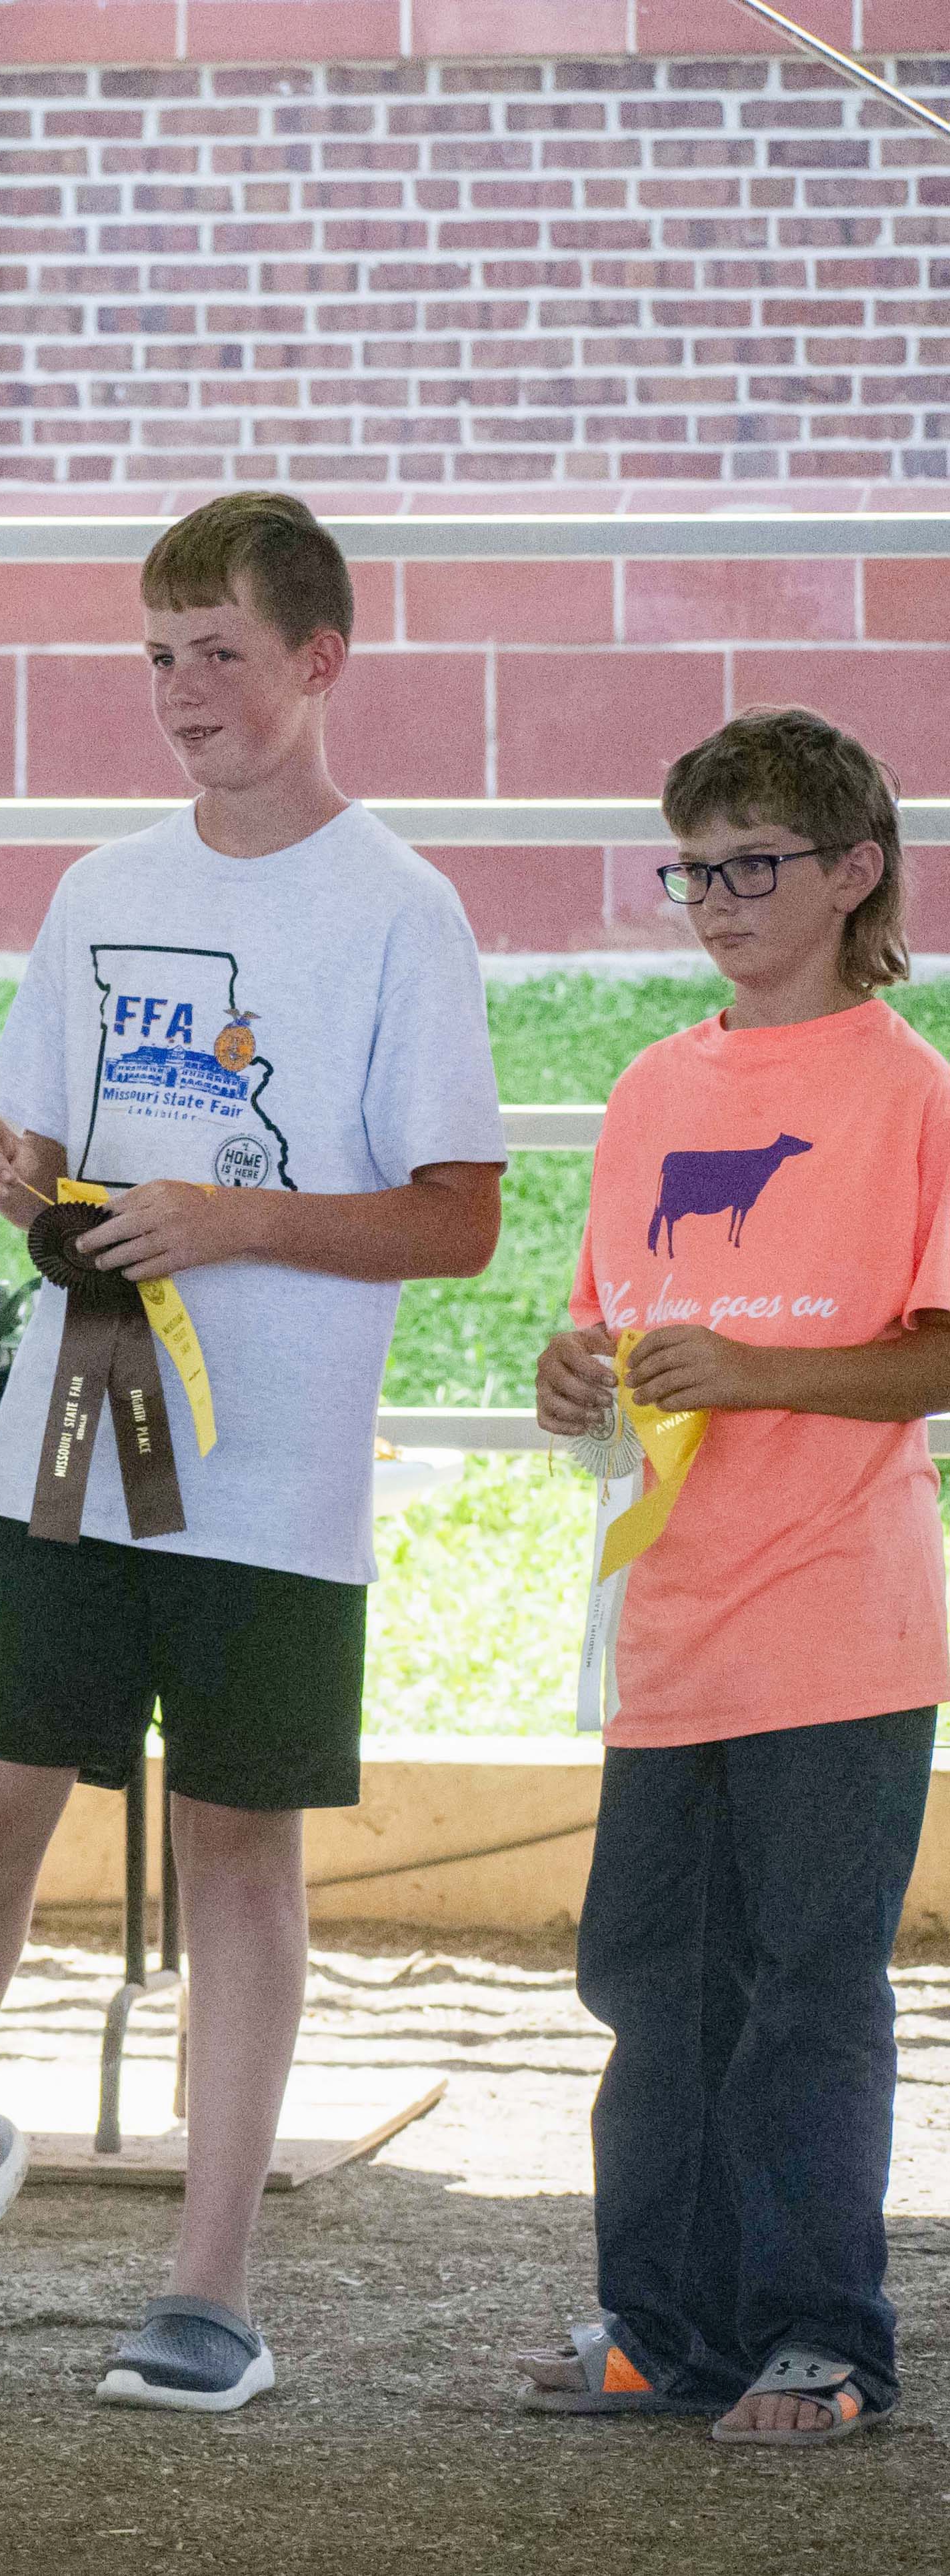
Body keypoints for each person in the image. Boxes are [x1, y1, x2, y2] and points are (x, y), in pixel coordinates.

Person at [0, 491, 505, 2411]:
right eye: (154, 654)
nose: (179, 689)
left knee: (232, 1840)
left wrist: (237, 1219)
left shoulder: (399, 908)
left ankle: (207, 2274)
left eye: (216, 650)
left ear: (316, 659)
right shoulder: (99, 882)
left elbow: (456, 1214)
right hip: (75, 1424)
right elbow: (38, 1143)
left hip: (270, 1459)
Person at [517, 708, 947, 2448]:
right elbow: (601, 1329)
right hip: (670, 1623)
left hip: (837, 1629)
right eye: (689, 863)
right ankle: (660, 2321)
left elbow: (936, 1350)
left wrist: (755, 1375)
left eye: (748, 861)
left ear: (853, 872)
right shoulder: (647, 1088)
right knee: (645, 1982)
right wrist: (571, 1380)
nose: (710, 894)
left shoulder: (910, 1094)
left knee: (803, 1989)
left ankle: (820, 2333)